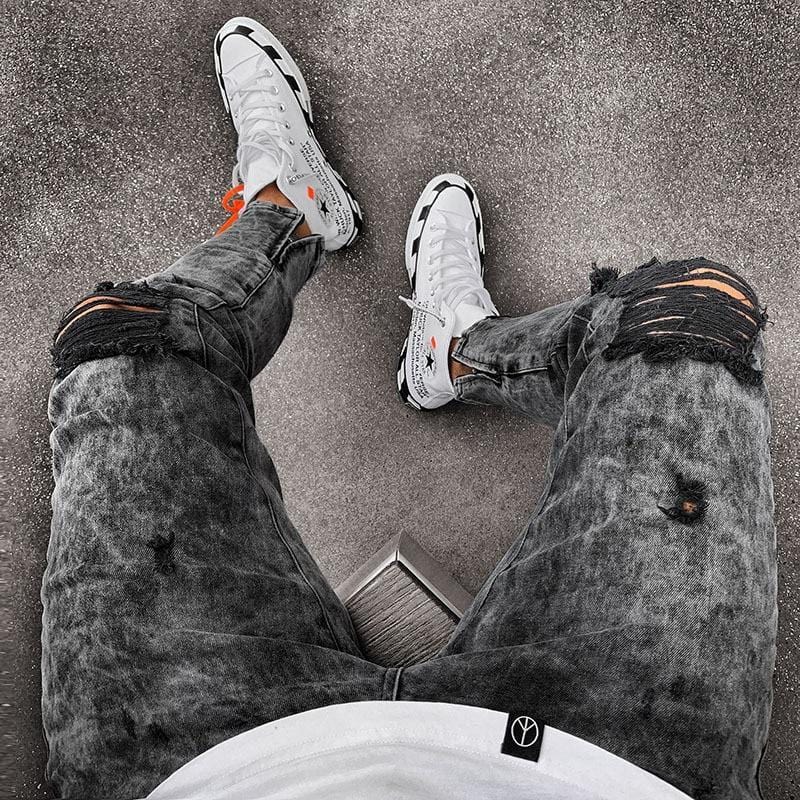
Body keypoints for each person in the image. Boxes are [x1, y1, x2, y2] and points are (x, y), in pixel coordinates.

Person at [42, 16, 777, 800]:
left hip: (197, 763)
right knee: (689, 316)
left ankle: (296, 216)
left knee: (117, 346)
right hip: (604, 763)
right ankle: (457, 348)